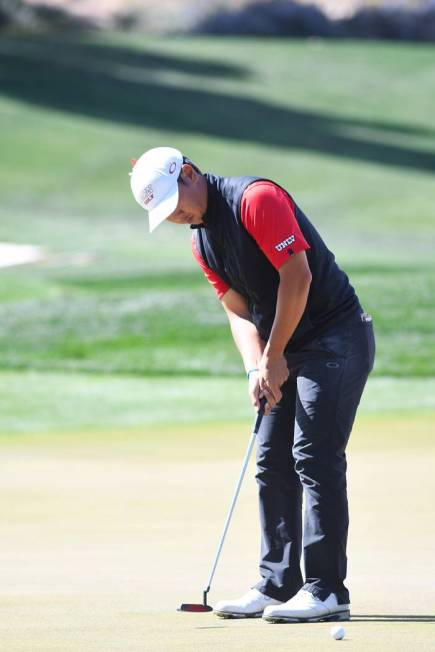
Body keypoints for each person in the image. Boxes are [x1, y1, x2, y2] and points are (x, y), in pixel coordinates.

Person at [130, 146, 375, 624]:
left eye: (175, 203)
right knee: (271, 459)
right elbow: (238, 310)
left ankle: (326, 589)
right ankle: (277, 582)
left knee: (314, 455)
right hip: (281, 348)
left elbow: (297, 279)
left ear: (188, 173)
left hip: (334, 336)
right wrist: (256, 368)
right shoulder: (201, 241)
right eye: (166, 214)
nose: (177, 216)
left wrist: (275, 354)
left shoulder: (257, 199)